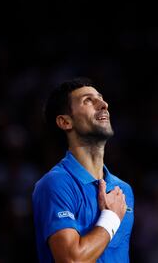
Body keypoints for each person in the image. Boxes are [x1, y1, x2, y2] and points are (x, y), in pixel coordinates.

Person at [32, 77, 134, 262]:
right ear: (65, 122)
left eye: (101, 98)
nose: (103, 104)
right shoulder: (55, 184)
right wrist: (110, 217)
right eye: (88, 100)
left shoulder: (123, 190)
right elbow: (71, 259)